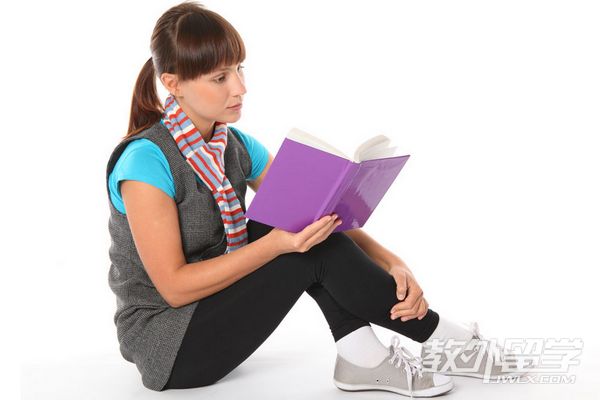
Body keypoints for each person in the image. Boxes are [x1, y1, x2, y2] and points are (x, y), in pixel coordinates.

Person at [106, 1, 530, 396]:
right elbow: (175, 288)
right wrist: (278, 245)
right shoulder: (145, 161)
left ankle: (362, 357)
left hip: (216, 306)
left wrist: (393, 263)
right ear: (173, 84)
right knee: (298, 248)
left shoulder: (234, 145)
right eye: (220, 78)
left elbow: (319, 216)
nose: (240, 87)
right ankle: (444, 340)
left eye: (239, 69)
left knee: (302, 221)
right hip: (169, 344)